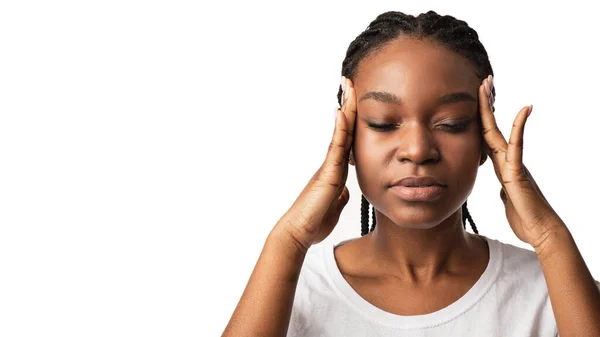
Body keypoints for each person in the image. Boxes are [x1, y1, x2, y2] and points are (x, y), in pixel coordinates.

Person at [221, 10, 600, 337]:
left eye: (451, 123)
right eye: (384, 124)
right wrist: (287, 241)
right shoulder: (289, 289)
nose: (418, 150)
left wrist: (551, 238)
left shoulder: (556, 290)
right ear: (348, 137)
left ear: (486, 138)